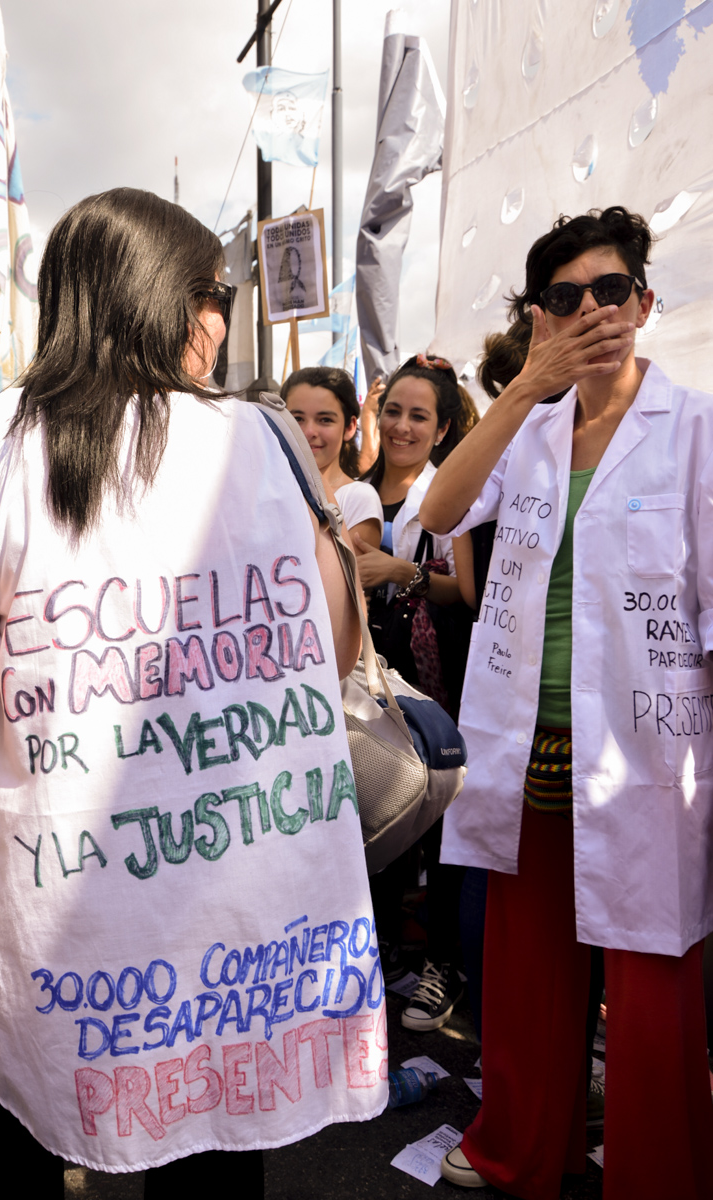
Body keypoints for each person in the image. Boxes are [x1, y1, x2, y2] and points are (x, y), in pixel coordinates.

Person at [0, 188, 387, 1198]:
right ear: (171, 300)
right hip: (241, 898)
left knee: (10, 1129)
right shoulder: (264, 439)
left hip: (60, 916)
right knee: (213, 1149)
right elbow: (336, 647)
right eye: (215, 295)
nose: (219, 320)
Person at [420, 206, 713, 1199]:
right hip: (532, 743)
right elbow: (439, 513)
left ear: (644, 301)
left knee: (650, 980)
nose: (592, 310)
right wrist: (523, 389)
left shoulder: (695, 427)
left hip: (645, 756)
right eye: (564, 297)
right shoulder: (531, 429)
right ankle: (519, 1147)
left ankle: (657, 1173)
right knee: (528, 968)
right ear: (540, 316)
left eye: (610, 290)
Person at [355, 353, 478, 1030]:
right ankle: (379, 950)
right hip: (359, 681)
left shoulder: (448, 495)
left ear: (442, 428)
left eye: (418, 416)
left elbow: (468, 593)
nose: (402, 426)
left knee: (431, 815)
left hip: (425, 684)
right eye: (393, 411)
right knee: (371, 813)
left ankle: (438, 961)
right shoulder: (353, 492)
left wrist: (399, 571)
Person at [282, 365, 383, 552]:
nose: (309, 432)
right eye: (297, 419)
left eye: (325, 420)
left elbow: (353, 570)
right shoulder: (266, 489)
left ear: (350, 427)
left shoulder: (358, 498)